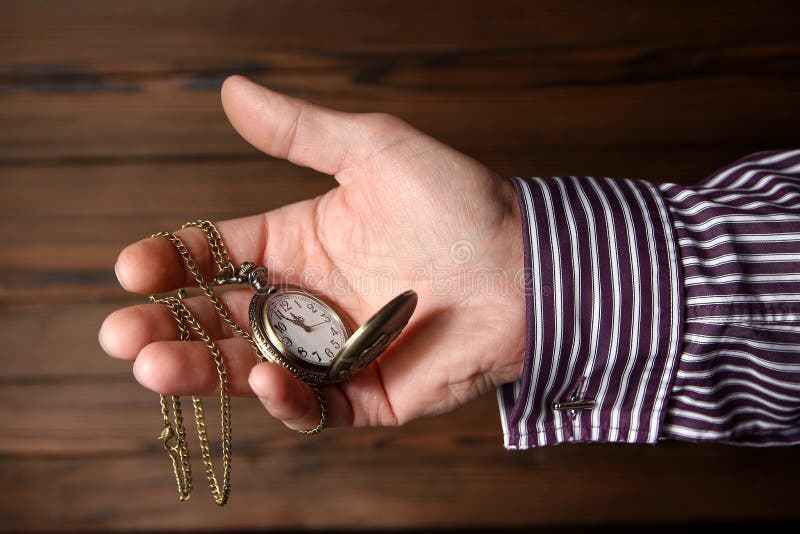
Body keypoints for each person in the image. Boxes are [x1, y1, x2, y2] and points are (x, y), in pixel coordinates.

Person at [98, 75, 799, 448]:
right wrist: (532, 275)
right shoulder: (283, 314)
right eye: (301, 326)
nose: (306, 324)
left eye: (302, 324)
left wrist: (523, 271)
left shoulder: (286, 315)